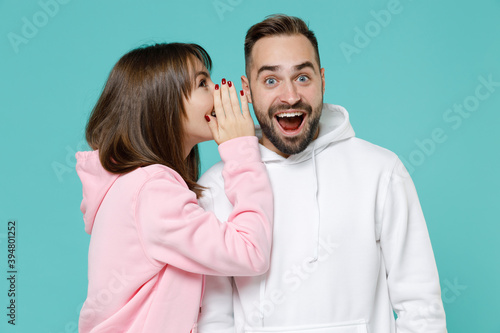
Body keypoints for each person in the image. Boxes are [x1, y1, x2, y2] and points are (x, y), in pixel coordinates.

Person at [197, 15, 447, 332]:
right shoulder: (217, 186)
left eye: (302, 78)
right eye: (271, 80)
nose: (290, 96)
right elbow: (214, 318)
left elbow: (421, 306)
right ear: (247, 89)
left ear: (322, 80)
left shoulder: (381, 171)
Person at [75, 43, 274, 333]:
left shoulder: (133, 185)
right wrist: (242, 151)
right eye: (203, 83)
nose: (219, 92)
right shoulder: (152, 191)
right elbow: (250, 252)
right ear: (163, 103)